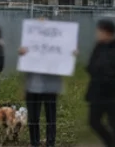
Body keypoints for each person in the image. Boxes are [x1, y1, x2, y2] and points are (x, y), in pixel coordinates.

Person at [19, 19, 70, 147]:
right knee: (33, 118)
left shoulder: (56, 46)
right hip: (33, 86)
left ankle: (50, 143)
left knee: (51, 117)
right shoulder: (29, 45)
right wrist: (22, 54)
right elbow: (25, 65)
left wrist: (69, 54)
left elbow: (64, 58)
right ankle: (34, 143)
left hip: (50, 86)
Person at [86, 20, 115, 147]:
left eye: (99, 31)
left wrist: (107, 74)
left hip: (114, 92)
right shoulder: (98, 47)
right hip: (97, 92)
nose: (97, 34)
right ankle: (111, 143)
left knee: (114, 121)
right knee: (93, 121)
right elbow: (90, 66)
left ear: (107, 32)